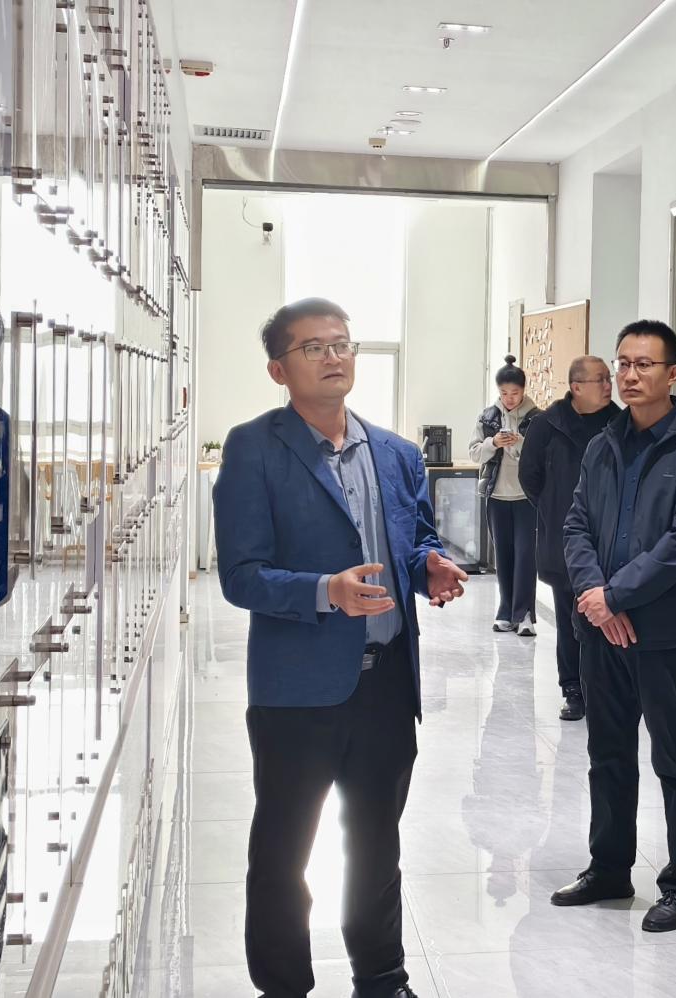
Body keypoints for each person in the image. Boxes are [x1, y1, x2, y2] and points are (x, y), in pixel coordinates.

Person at [213, 297, 468, 998]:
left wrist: (428, 567)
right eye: (314, 347)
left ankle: (381, 978)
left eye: (343, 344)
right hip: (297, 690)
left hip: (385, 685)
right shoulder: (254, 448)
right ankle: (283, 986)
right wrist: (327, 590)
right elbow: (240, 576)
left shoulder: (396, 452)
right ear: (278, 369)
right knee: (282, 850)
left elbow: (411, 540)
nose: (334, 357)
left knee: (377, 843)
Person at [554, 319, 676, 933]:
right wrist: (596, 597)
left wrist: (615, 594)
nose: (629, 375)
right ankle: (609, 868)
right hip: (603, 632)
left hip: (664, 634)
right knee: (608, 754)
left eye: (643, 364)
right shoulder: (604, 443)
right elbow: (576, 524)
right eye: (623, 363)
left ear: (672, 374)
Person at [518, 355, 619, 721]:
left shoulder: (620, 423)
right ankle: (573, 689)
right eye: (600, 380)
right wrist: (554, 506)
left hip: (610, 538)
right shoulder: (546, 425)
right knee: (568, 616)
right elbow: (530, 477)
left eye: (609, 378)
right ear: (577, 387)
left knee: (608, 613)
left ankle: (605, 690)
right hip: (564, 537)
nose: (609, 385)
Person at [469, 355, 541, 635]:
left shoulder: (537, 418)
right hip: (496, 496)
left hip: (527, 498)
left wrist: (522, 443)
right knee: (503, 556)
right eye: (504, 393)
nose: (509, 399)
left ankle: (524, 616)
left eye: (515, 393)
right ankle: (505, 612)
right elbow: (475, 453)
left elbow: (546, 458)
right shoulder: (487, 417)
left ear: (524, 390)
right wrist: (493, 443)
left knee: (526, 557)